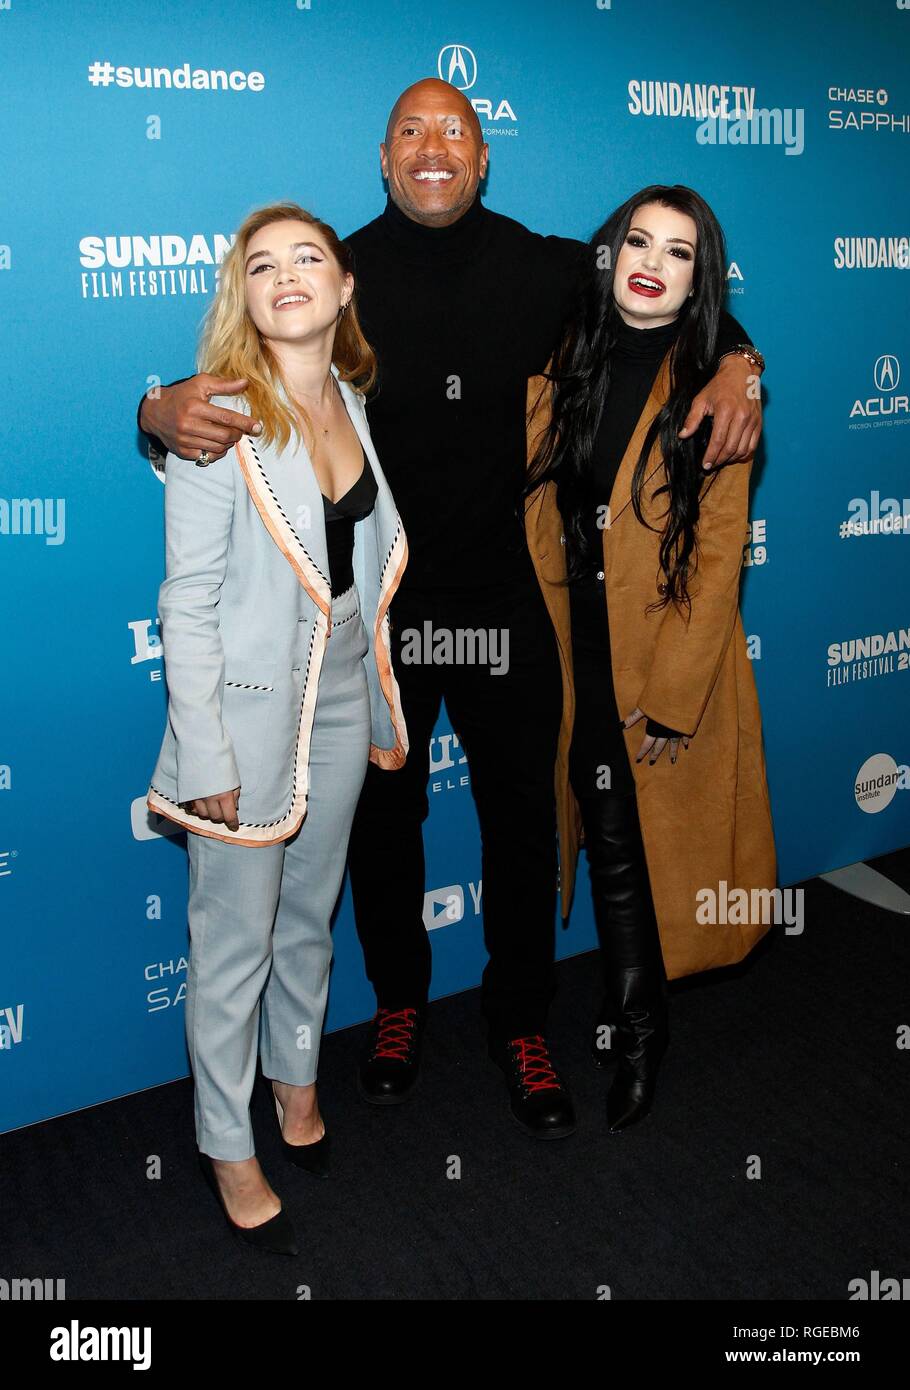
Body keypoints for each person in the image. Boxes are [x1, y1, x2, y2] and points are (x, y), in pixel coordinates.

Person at [137, 79, 764, 1139]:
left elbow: (675, 306)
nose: (434, 149)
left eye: (455, 133)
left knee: (523, 822)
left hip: (513, 607)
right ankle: (396, 1005)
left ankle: (520, 1021)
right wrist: (151, 408)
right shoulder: (333, 272)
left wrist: (744, 365)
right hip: (376, 619)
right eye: (412, 133)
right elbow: (229, 373)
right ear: (384, 159)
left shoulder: (550, 266)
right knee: (384, 826)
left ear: (483, 158)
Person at [146, 201, 408, 1252]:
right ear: (242, 298)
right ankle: (225, 1140)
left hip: (342, 689)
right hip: (250, 718)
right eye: (263, 265)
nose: (288, 274)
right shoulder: (221, 417)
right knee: (233, 944)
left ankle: (296, 1082)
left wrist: (378, 697)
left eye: (310, 257)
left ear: (344, 289)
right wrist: (204, 753)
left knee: (311, 915)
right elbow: (187, 601)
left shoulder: (349, 394)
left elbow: (363, 576)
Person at [524, 185, 776, 1131]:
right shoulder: (562, 359)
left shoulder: (718, 389)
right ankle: (635, 1008)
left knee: (634, 846)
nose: (652, 261)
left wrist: (674, 692)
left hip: (661, 657)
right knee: (605, 840)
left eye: (679, 252)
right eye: (639, 240)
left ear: (699, 278)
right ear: (609, 250)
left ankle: (640, 1031)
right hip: (570, 646)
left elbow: (719, 558)